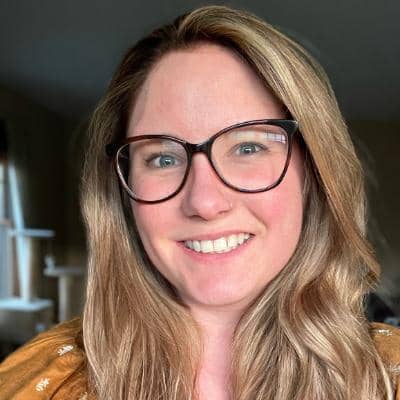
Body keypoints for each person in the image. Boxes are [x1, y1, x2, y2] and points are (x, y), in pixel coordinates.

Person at [0, 5, 399, 400]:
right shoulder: (34, 385)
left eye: (247, 147)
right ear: (121, 188)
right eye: (163, 158)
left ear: (314, 172)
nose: (205, 202)